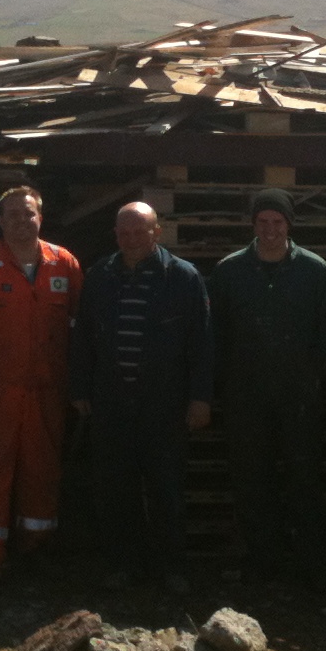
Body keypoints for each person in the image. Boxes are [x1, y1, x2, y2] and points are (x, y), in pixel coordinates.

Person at [71, 201, 214, 593]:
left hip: (164, 402)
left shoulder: (183, 278)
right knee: (117, 488)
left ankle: (171, 568)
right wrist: (81, 386)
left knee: (166, 488)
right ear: (115, 235)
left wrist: (200, 398)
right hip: (112, 401)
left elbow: (202, 343)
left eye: (140, 231)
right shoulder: (100, 276)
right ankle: (123, 565)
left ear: (157, 232)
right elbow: (83, 336)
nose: (132, 239)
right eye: (124, 233)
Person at [0, 185, 83, 581]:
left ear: (41, 217)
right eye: (12, 214)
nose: (21, 221)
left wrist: (78, 388)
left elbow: (80, 332)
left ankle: (35, 556)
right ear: (0, 220)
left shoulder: (65, 264)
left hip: (48, 392)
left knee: (42, 474)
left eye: (29, 213)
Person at [210, 188, 326, 583]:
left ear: (289, 225)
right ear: (253, 225)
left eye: (277, 222)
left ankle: (311, 564)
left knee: (303, 478)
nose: (270, 230)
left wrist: (308, 375)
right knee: (252, 480)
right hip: (245, 397)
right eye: (263, 222)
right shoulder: (229, 271)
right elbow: (214, 334)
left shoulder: (315, 271)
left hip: (297, 398)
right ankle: (264, 561)